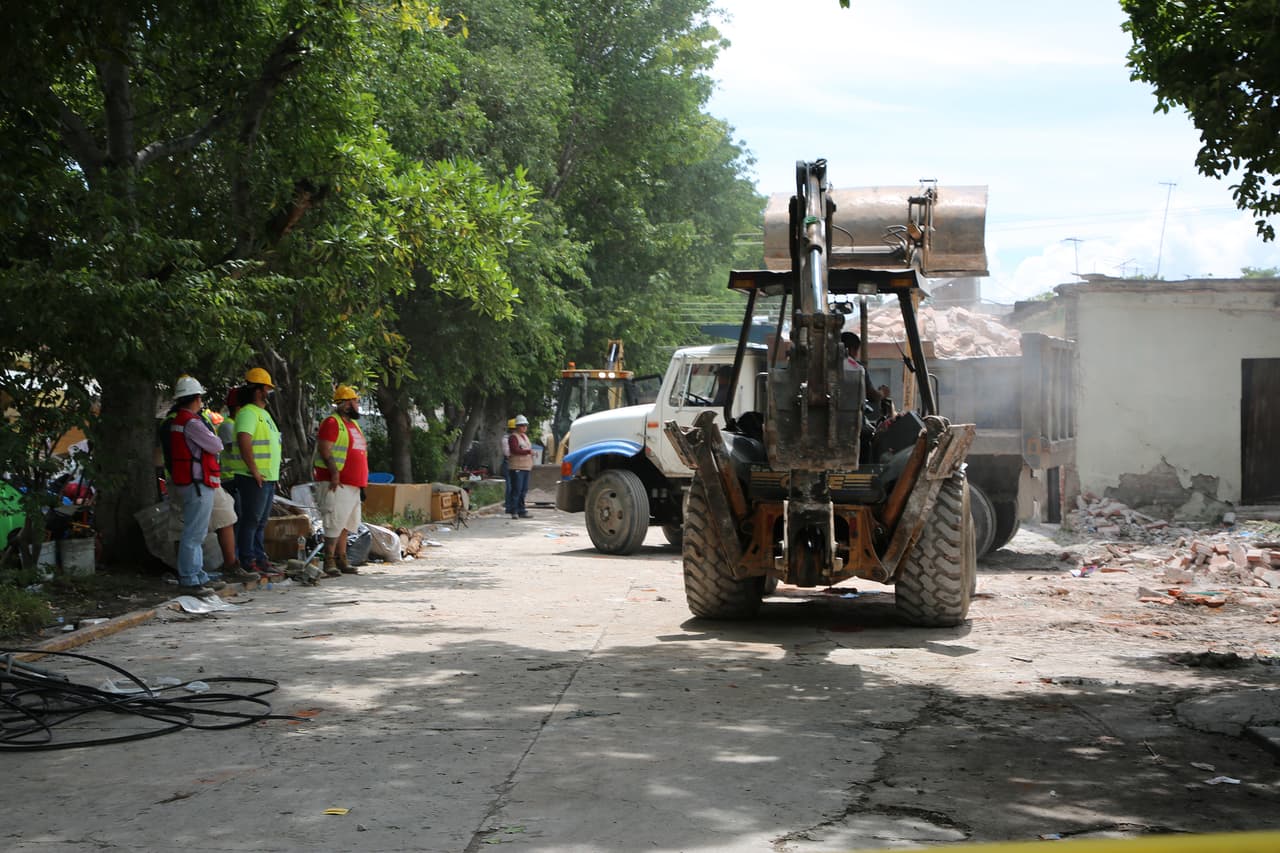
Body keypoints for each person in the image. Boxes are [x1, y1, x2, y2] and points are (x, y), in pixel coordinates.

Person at [165, 376, 227, 597]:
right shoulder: (192, 423)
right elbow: (216, 445)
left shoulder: (177, 421)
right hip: (198, 483)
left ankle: (197, 574)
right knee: (194, 533)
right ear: (195, 398)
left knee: (194, 532)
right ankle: (190, 578)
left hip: (188, 481)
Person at [314, 385, 369, 576]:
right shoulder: (332, 422)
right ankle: (329, 560)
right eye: (354, 401)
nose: (357, 404)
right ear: (345, 404)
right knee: (334, 521)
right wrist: (334, 473)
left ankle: (341, 558)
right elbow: (325, 449)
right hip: (337, 483)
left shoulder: (353, 425)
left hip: (353, 484)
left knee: (347, 523)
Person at [233, 367, 282, 576]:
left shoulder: (264, 414)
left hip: (267, 477)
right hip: (254, 477)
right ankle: (248, 560)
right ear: (258, 390)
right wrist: (254, 471)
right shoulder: (247, 413)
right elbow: (244, 441)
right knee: (251, 521)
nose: (268, 393)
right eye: (266, 388)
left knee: (260, 522)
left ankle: (260, 559)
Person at [507, 414, 534, 519]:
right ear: (517, 426)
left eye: (525, 425)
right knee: (516, 489)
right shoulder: (513, 437)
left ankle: (521, 510)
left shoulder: (525, 437)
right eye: (522, 425)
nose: (524, 427)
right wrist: (528, 451)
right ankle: (514, 510)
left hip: (526, 467)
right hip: (517, 466)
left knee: (523, 490)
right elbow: (514, 450)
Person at [501, 417, 515, 516]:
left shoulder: (517, 438)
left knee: (515, 485)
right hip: (509, 463)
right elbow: (507, 453)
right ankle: (509, 505)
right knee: (510, 485)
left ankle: (513, 505)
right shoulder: (506, 439)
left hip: (515, 463)